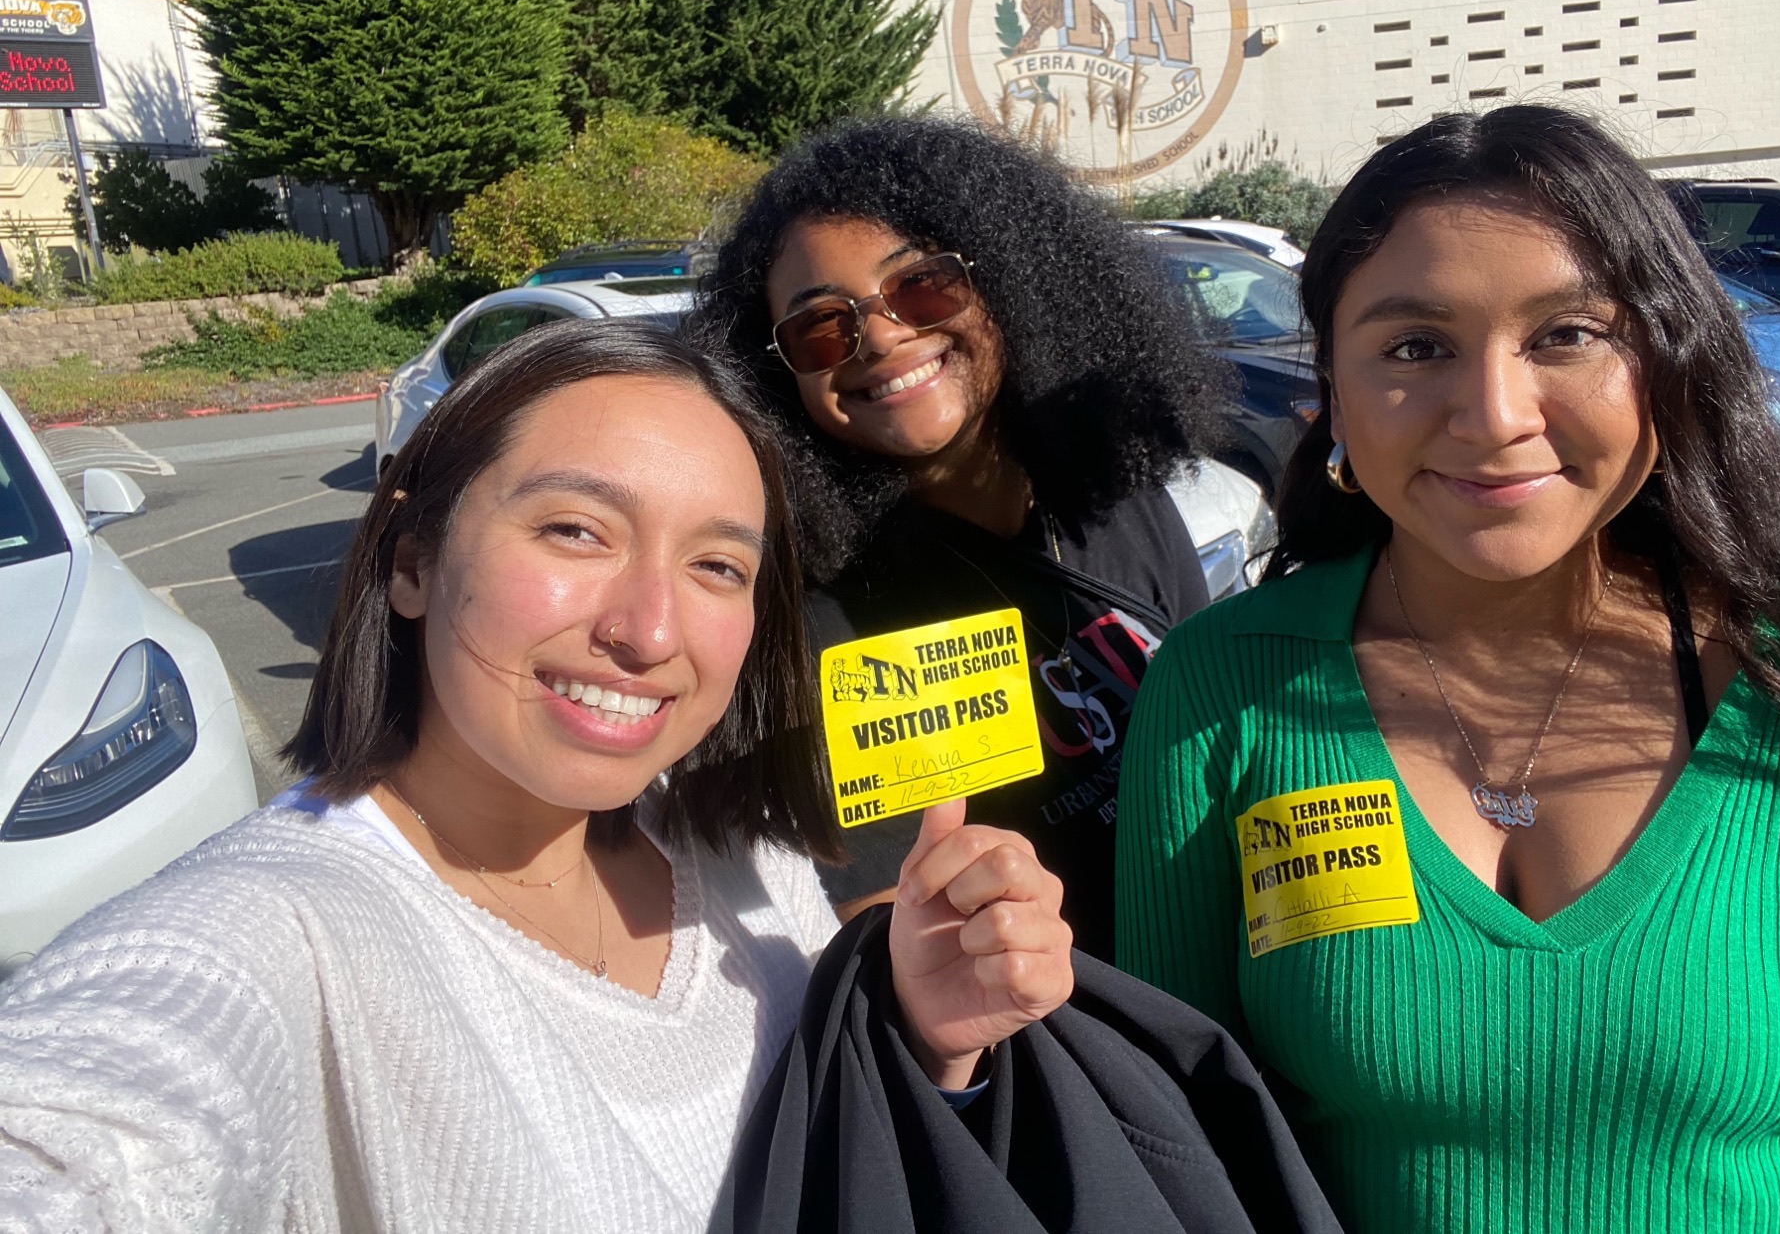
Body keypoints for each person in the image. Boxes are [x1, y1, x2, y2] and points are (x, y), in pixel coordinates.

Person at [1116, 104, 1780, 1232]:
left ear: (1669, 364)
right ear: (1332, 395)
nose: (1492, 415)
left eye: (1565, 335)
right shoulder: (1217, 693)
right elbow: (1182, 1154)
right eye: (1413, 347)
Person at [0, 321, 1073, 1231]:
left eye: (717, 566)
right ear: (413, 559)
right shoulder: (270, 936)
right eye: (574, 530)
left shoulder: (748, 859)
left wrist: (923, 1041)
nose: (649, 630)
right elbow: (90, 1123)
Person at [693, 115, 1233, 960]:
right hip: (1072, 1046)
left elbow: (1224, 743)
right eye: (821, 328)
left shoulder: (1118, 498)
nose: (879, 336)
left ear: (1010, 278)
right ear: (779, 372)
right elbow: (892, 930)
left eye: (923, 286)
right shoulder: (820, 619)